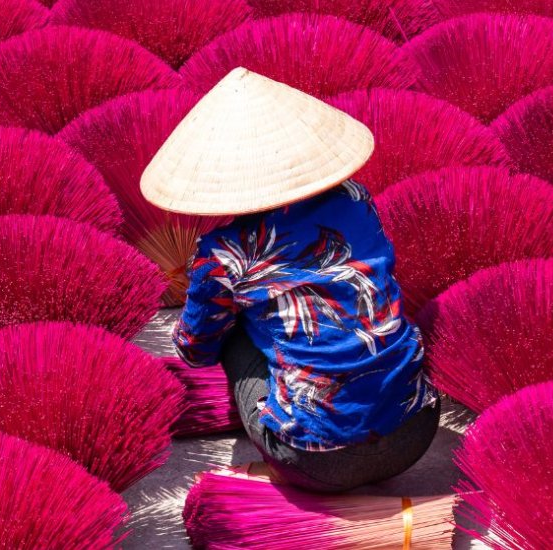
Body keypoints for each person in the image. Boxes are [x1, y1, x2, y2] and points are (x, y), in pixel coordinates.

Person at [141, 68, 437, 493]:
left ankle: (286, 416)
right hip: (416, 428)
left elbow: (195, 350)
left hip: (317, 459)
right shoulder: (356, 199)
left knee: (231, 326)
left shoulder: (223, 253)